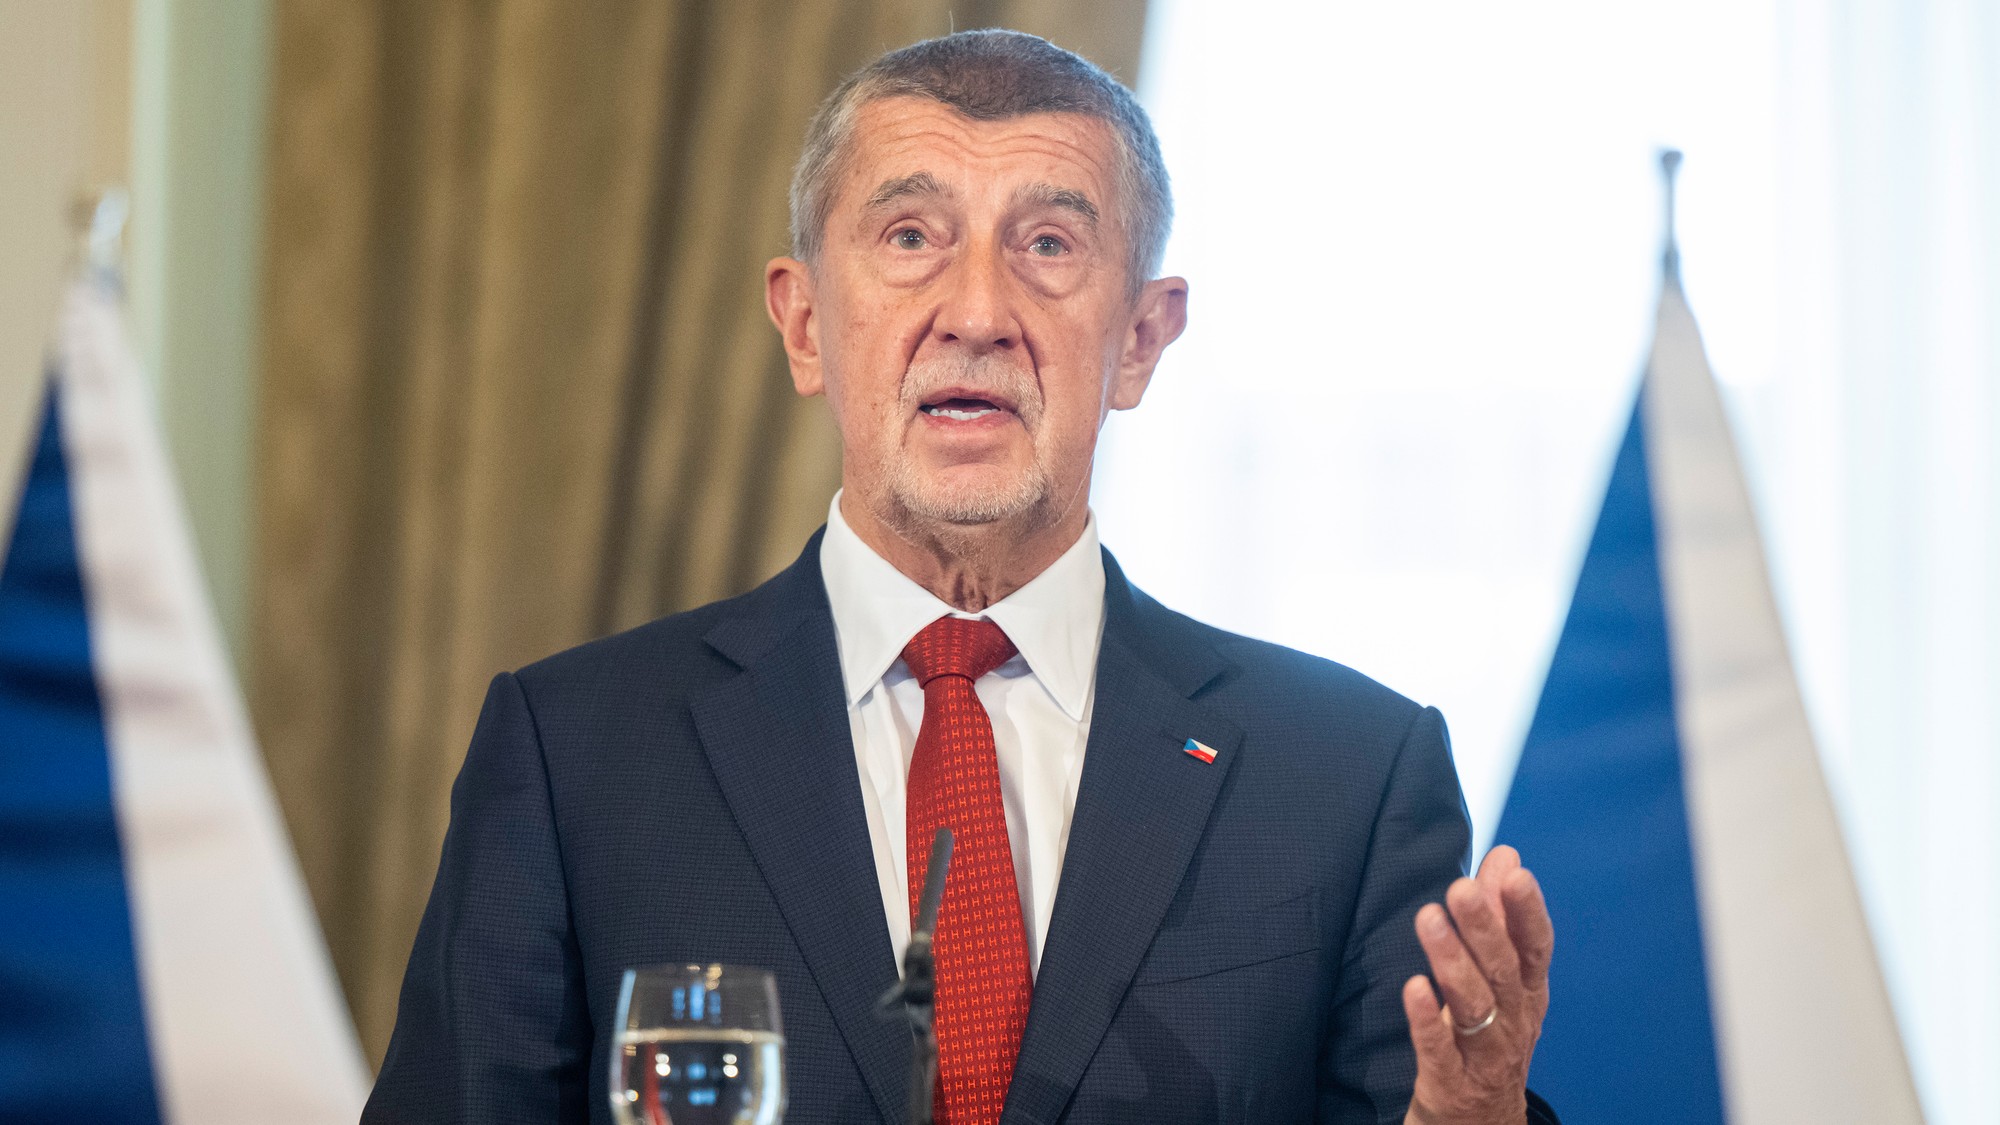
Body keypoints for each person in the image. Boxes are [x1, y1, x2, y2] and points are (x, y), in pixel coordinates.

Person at [363, 29, 1559, 1125]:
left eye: (1047, 245)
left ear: (1140, 340)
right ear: (804, 325)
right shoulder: (575, 755)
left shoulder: (1346, 777)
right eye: (909, 238)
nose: (977, 312)